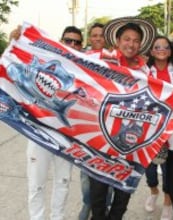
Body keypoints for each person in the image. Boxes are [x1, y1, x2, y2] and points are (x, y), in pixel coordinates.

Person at [10, 26, 83, 220]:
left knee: (63, 182)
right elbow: (16, 58)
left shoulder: (84, 70)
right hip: (38, 133)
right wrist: (15, 40)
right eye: (68, 40)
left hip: (66, 137)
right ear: (61, 41)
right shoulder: (44, 58)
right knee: (36, 184)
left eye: (77, 42)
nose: (73, 45)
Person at [88, 17, 156, 220]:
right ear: (117, 41)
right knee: (97, 196)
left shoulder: (145, 70)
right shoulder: (102, 57)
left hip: (130, 143)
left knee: (123, 195)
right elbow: (70, 58)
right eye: (127, 39)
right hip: (101, 139)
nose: (131, 44)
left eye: (136, 40)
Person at [79, 22, 113, 220]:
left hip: (108, 125)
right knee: (86, 172)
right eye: (94, 35)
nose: (98, 38)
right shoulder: (81, 57)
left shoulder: (115, 59)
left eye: (101, 35)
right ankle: (87, 204)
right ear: (89, 38)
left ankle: (103, 209)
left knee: (107, 171)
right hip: (86, 123)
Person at [144, 35, 173, 220]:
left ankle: (168, 202)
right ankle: (153, 191)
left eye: (165, 46)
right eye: (157, 47)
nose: (161, 49)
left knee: (169, 168)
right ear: (151, 51)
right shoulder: (144, 70)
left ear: (170, 50)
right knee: (149, 168)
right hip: (150, 127)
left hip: (172, 126)